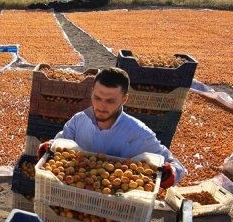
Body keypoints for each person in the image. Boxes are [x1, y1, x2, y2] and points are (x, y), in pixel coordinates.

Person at [38, 66, 185, 188]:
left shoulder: (138, 132)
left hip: (115, 205)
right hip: (75, 194)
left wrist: (170, 172)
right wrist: (49, 146)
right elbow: (61, 142)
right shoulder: (79, 121)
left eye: (110, 101)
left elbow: (176, 166)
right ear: (92, 93)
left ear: (124, 99)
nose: (101, 106)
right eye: (97, 98)